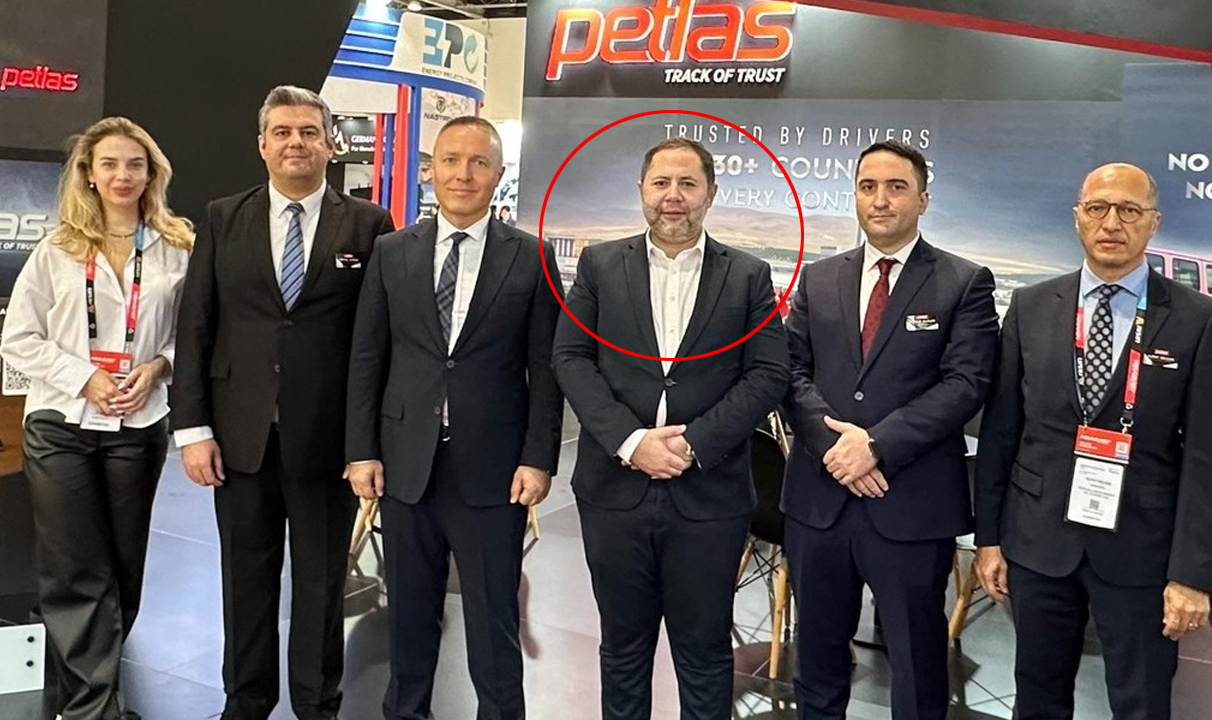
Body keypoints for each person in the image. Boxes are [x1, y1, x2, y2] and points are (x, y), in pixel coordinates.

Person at [973, 163, 1212, 720]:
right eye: (1098, 208)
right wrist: (989, 539)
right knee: (1037, 698)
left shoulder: (1198, 320)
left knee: (1141, 704)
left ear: (1153, 223)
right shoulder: (1031, 307)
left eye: (1129, 210)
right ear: (1078, 218)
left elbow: (1207, 459)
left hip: (1142, 550)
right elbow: (1001, 433)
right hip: (1039, 542)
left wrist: (1191, 575)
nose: (1112, 223)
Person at [170, 86, 395, 720]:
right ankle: (244, 701)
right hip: (238, 438)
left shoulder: (369, 224)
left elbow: (377, 340)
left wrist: (366, 443)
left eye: (309, 131)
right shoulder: (223, 217)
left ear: (331, 143)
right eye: (283, 132)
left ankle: (318, 703)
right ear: (263, 145)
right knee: (244, 579)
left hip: (327, 440)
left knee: (322, 584)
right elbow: (196, 325)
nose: (296, 142)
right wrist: (192, 429)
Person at [552, 137, 789, 720]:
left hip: (709, 496)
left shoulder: (749, 275)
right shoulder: (600, 266)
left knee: (705, 654)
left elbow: (768, 373)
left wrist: (694, 443)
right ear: (642, 190)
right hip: (614, 492)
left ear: (711, 192)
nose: (673, 196)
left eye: (687, 183)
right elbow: (570, 357)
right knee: (622, 649)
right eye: (661, 183)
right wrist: (632, 442)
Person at [345, 116, 564, 720]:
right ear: (431, 170)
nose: (463, 174)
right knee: (408, 616)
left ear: (498, 174)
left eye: (478, 162)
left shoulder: (531, 257)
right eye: (450, 160)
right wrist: (361, 449)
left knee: (494, 624)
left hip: (493, 471)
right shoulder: (392, 251)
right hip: (404, 465)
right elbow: (367, 357)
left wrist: (538, 458)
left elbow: (546, 369)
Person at [780, 140, 999, 720]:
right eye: (868, 187)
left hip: (910, 506)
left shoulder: (964, 282)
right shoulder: (818, 278)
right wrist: (838, 450)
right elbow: (790, 372)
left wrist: (876, 446)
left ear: (923, 199)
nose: (880, 199)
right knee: (817, 659)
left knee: (917, 664)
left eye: (896, 187)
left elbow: (965, 384)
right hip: (820, 501)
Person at [0, 116, 193, 720]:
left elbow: (192, 336)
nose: (122, 175)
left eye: (135, 164)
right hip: (61, 425)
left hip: (138, 426)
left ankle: (91, 696)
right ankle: (93, 709)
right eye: (109, 164)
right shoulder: (57, 249)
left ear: (151, 174)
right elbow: (17, 338)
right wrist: (84, 377)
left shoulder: (177, 248)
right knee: (75, 569)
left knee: (123, 569)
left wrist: (157, 367)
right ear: (88, 173)